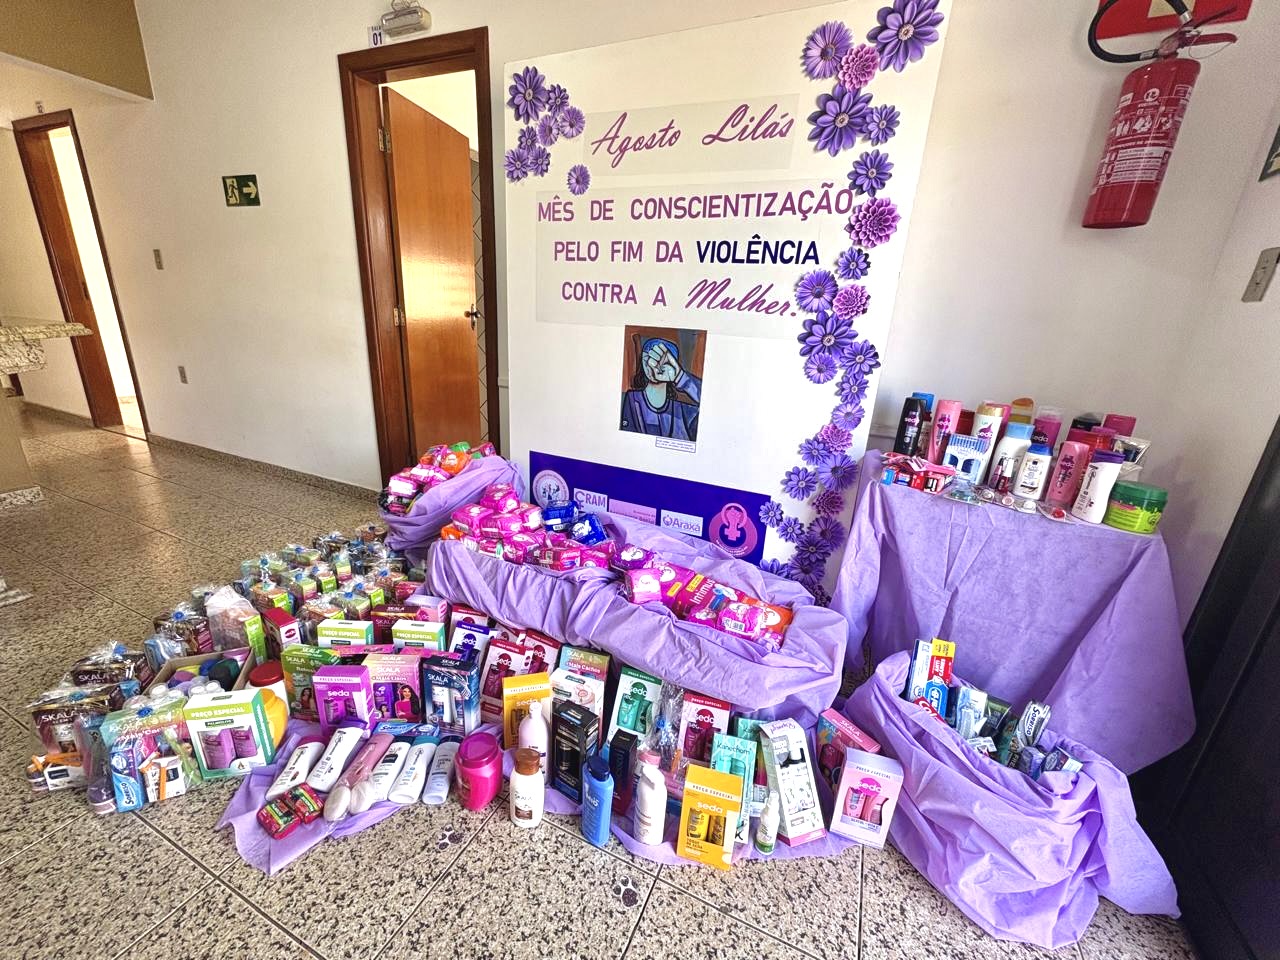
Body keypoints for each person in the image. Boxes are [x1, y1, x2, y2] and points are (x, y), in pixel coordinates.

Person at [620, 336, 701, 441]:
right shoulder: (632, 399)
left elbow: (713, 404)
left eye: (660, 361)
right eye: (646, 358)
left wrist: (681, 377)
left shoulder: (685, 411)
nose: (651, 365)